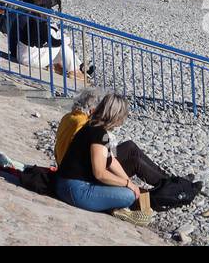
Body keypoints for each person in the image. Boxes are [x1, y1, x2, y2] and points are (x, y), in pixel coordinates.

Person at [54, 94, 149, 222]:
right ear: (116, 115)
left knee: (125, 188)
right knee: (129, 196)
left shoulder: (95, 127)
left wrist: (129, 182)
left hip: (68, 183)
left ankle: (109, 205)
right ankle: (112, 207)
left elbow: (111, 161)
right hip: (73, 188)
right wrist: (127, 184)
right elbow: (100, 174)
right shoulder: (98, 133)